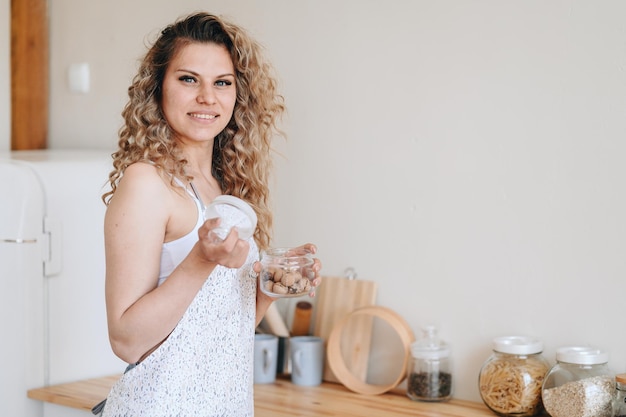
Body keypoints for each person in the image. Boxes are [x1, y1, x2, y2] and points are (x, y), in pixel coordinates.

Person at [96, 12, 322, 417]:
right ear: (158, 88)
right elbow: (127, 340)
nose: (207, 97)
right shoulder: (147, 183)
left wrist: (269, 289)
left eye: (222, 82)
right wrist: (201, 260)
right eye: (188, 79)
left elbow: (215, 330)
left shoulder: (226, 184)